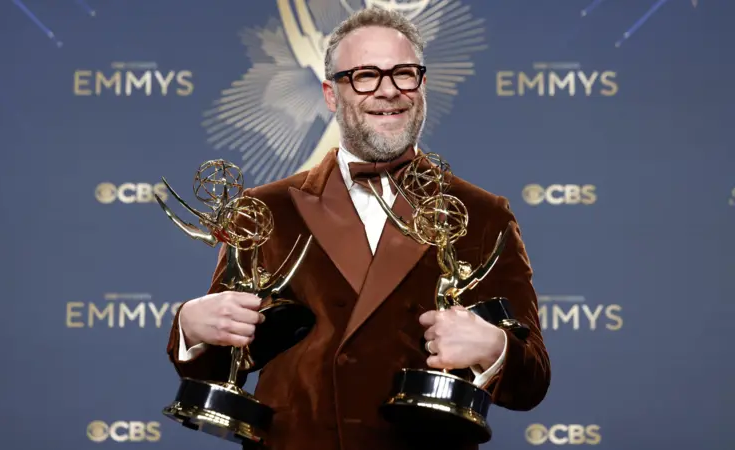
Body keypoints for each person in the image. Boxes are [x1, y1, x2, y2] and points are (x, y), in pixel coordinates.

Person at [166, 7, 550, 450]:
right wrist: (192, 329)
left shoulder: (483, 214)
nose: (388, 91)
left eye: (403, 74)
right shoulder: (263, 208)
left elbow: (533, 380)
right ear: (331, 94)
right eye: (365, 75)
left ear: (422, 85)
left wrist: (494, 349)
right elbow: (219, 368)